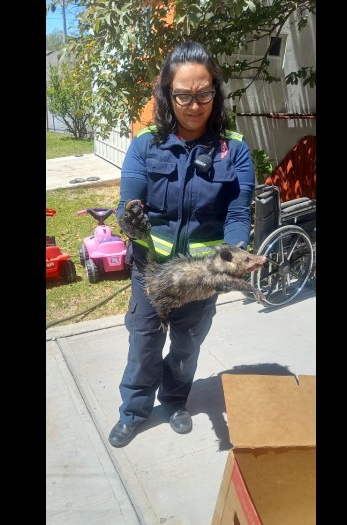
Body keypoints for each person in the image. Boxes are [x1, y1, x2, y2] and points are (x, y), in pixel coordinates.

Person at [108, 40, 255, 448]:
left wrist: (233, 256)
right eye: (183, 95)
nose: (194, 105)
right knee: (144, 343)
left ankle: (174, 401)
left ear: (216, 93)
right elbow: (127, 206)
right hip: (151, 273)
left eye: (204, 94)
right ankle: (134, 410)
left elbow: (238, 214)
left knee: (187, 347)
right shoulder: (145, 144)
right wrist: (131, 221)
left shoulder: (234, 150)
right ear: (167, 94)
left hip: (201, 278)